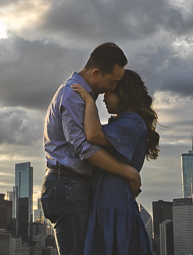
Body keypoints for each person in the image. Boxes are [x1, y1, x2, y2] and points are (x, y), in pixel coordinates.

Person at [41, 43, 142, 255]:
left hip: (71, 185)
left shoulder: (84, 97)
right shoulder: (73, 95)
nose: (113, 87)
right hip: (68, 185)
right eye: (112, 81)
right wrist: (128, 172)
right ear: (96, 73)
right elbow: (83, 148)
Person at [71, 69, 159, 255]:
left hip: (113, 204)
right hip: (109, 203)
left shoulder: (133, 121)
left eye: (109, 90)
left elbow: (93, 135)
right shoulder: (125, 122)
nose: (103, 97)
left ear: (123, 93)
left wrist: (89, 102)